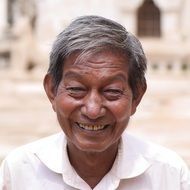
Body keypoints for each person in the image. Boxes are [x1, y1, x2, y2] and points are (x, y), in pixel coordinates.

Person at [0, 15, 189, 190]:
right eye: (76, 89)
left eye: (112, 91)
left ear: (137, 96)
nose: (93, 110)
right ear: (52, 90)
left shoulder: (168, 175)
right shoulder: (19, 172)